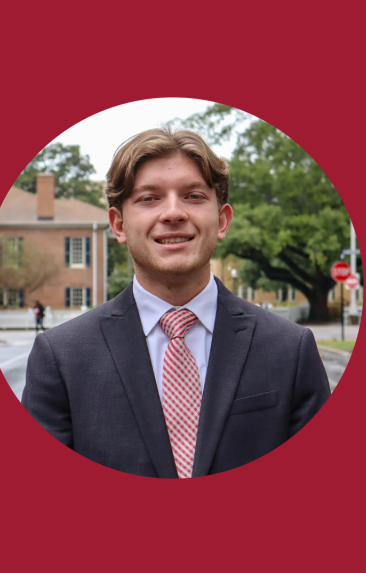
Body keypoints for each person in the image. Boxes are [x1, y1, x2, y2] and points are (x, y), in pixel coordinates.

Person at [22, 128, 330, 478]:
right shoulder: (61, 358)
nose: (173, 213)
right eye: (149, 198)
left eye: (194, 196)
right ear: (119, 225)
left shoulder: (290, 350)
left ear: (222, 221)